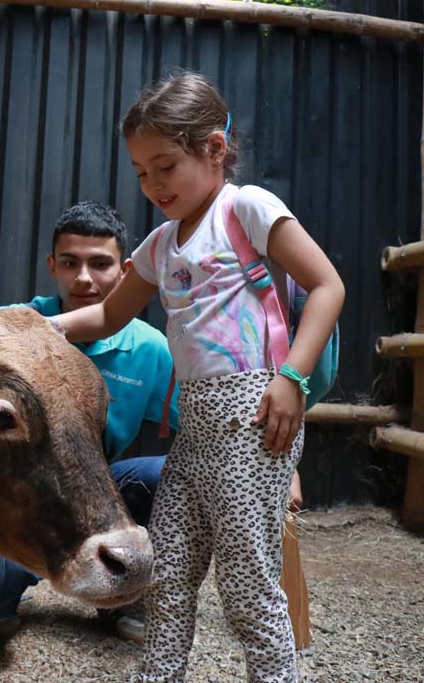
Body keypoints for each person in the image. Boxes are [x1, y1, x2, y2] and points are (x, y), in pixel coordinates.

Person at [50, 72, 344, 683]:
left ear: (213, 149)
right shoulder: (160, 244)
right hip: (196, 430)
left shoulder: (248, 209)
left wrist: (292, 378)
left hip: (252, 416)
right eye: (141, 172)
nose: (152, 185)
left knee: (246, 584)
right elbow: (107, 314)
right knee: (168, 573)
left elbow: (327, 286)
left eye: (165, 166)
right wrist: (34, 325)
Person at [0, 200, 180, 642]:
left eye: (100, 264)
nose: (84, 278)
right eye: (70, 263)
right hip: (19, 495)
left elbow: (201, 420)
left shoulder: (151, 349)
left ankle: (128, 593)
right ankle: (0, 577)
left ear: (125, 271)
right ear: (52, 265)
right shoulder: (4, 333)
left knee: (166, 472)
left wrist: (278, 464)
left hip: (99, 490)